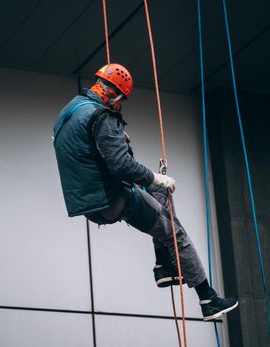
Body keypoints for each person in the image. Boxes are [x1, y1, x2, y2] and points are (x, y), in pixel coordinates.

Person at [52, 63, 238, 321]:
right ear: (116, 95)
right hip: (112, 199)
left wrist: (152, 182)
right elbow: (121, 165)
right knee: (175, 231)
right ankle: (208, 299)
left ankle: (164, 266)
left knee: (160, 195)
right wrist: (155, 177)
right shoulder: (103, 116)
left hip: (89, 199)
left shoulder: (71, 110)